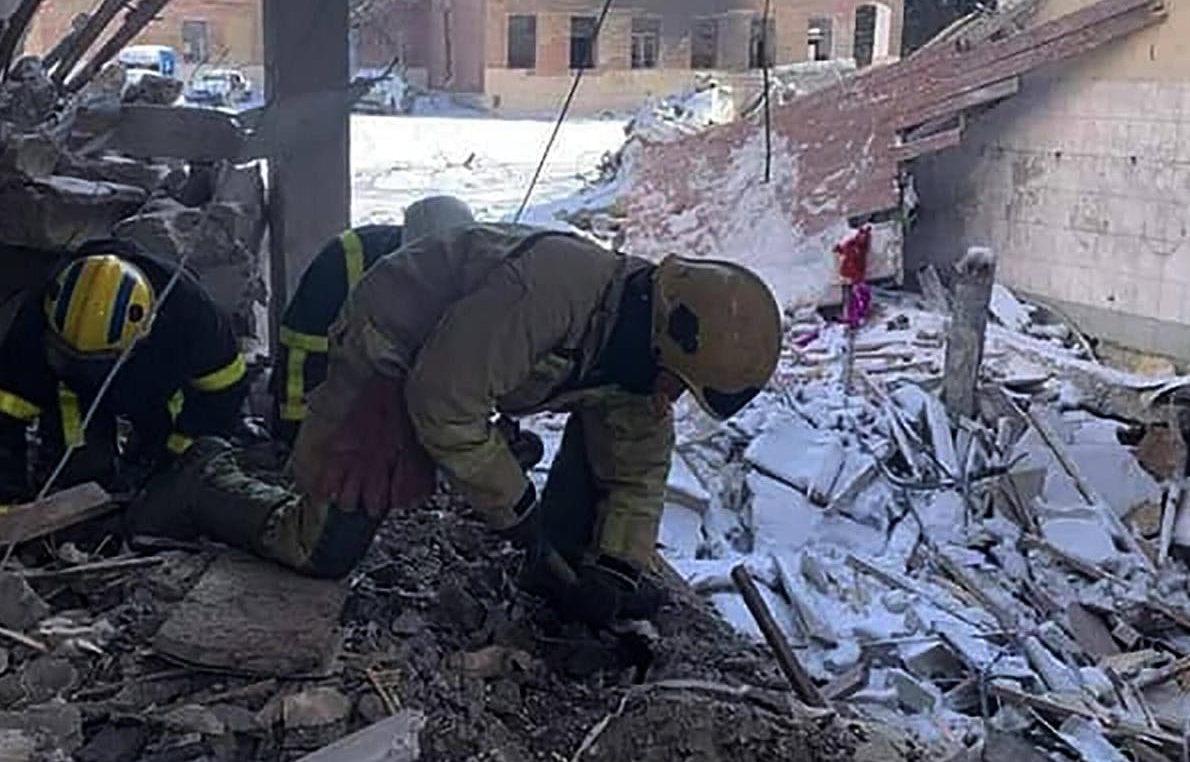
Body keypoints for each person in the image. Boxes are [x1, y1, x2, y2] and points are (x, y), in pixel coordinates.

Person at [130, 224, 781, 628]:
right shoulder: (552, 289)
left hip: (457, 370)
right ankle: (204, 478)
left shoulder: (643, 351)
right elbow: (442, 402)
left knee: (605, 444)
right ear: (668, 337)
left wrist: (615, 568)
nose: (670, 395)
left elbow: (638, 468)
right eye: (677, 381)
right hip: (391, 347)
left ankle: (560, 577)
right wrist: (516, 512)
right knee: (320, 549)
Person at [0, 241, 247, 502]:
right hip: (72, 395)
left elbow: (222, 394)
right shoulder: (40, 315)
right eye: (69, 354)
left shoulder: (192, 319)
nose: (88, 367)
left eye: (99, 360)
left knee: (169, 476)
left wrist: (176, 459)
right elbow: (6, 410)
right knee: (85, 469)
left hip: (155, 389)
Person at [272, 195, 474, 444]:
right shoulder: (344, 259)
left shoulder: (477, 267)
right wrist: (296, 431)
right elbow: (302, 350)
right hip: (342, 389)